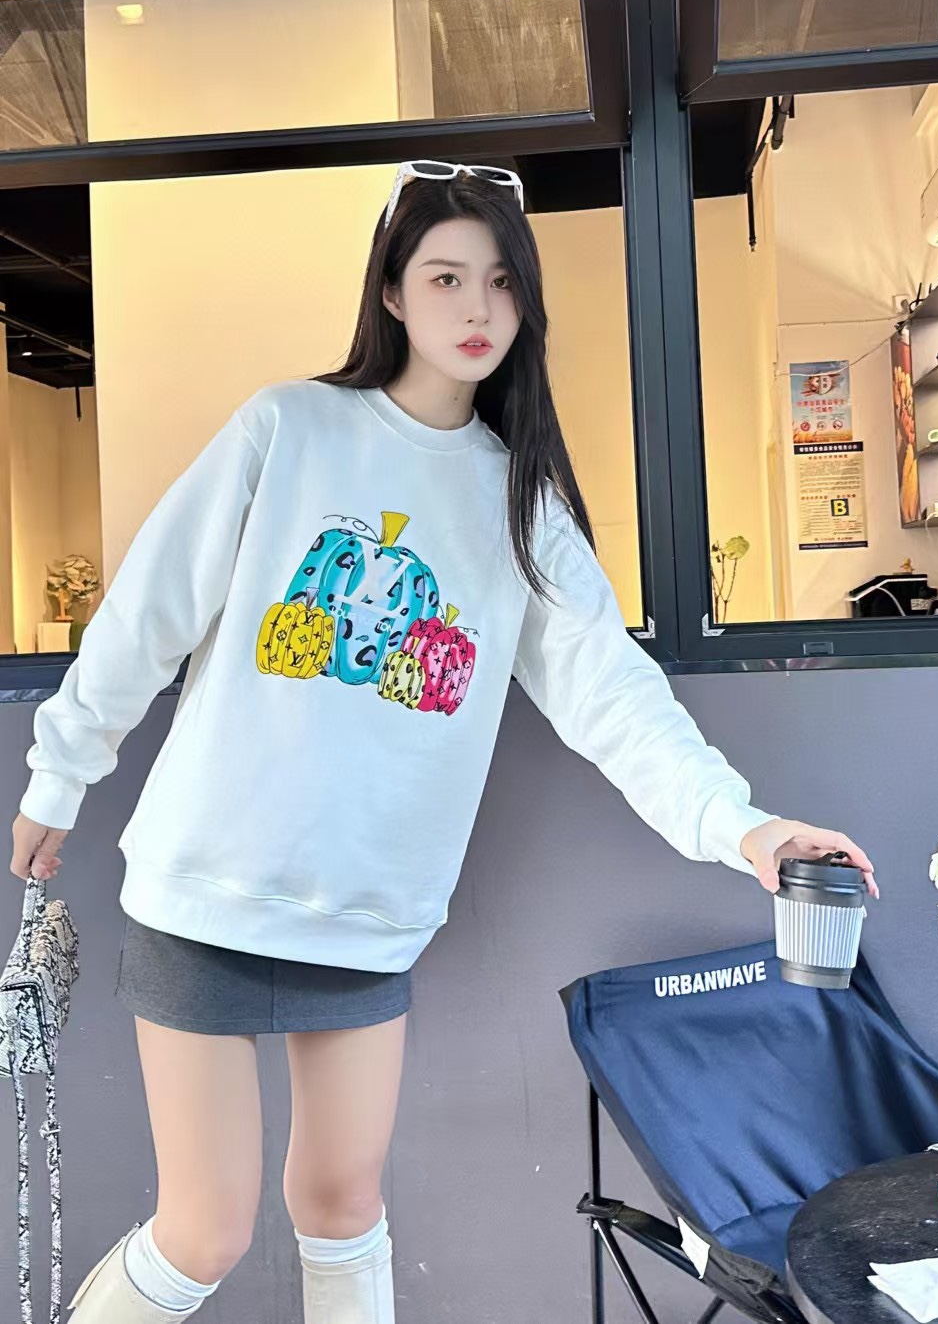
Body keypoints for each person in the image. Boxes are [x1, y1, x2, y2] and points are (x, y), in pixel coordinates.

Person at [9, 160, 877, 1324]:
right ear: (392, 292)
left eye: (502, 281)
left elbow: (612, 694)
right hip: (206, 883)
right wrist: (61, 772)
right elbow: (148, 611)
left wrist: (746, 828)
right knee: (204, 1227)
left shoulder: (520, 501)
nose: (478, 307)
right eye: (447, 277)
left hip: (368, 909)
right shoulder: (290, 427)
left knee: (342, 1203)